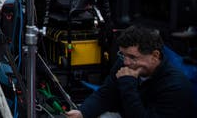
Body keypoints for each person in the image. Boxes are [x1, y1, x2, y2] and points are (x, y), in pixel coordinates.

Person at [66, 25, 195, 118]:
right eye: (123, 55)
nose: (126, 62)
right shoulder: (124, 63)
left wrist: (128, 84)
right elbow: (106, 94)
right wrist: (83, 112)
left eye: (133, 57)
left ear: (155, 55)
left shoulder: (175, 86)